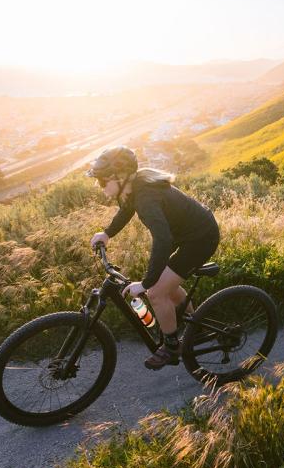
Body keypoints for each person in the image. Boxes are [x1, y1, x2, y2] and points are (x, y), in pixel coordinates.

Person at [86, 146, 220, 369]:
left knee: (156, 292)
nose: (100, 187)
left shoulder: (146, 197)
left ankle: (171, 346)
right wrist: (107, 233)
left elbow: (163, 240)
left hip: (200, 238)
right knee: (165, 286)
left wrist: (147, 283)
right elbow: (126, 211)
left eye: (102, 181)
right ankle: (196, 329)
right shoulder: (134, 187)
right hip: (187, 234)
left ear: (119, 177)